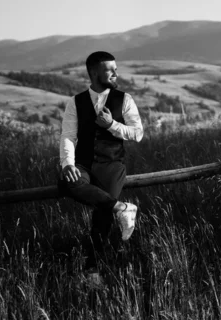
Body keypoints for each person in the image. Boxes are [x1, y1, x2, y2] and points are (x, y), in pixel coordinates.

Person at [59, 50, 144, 286]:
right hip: (83, 163)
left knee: (101, 215)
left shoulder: (124, 99)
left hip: (112, 164)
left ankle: (92, 271)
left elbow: (138, 133)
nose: (116, 73)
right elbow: (68, 135)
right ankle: (123, 208)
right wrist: (67, 164)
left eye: (116, 69)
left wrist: (112, 125)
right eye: (111, 69)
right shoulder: (75, 102)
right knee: (68, 182)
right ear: (95, 72)